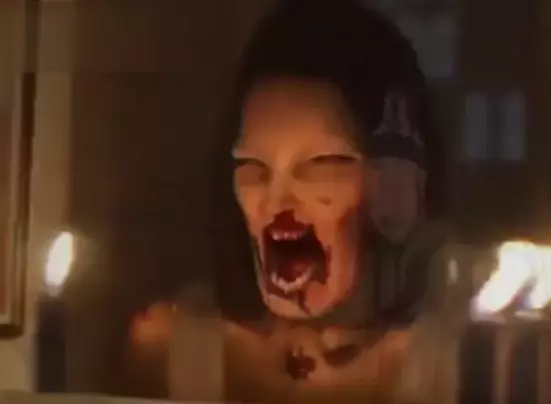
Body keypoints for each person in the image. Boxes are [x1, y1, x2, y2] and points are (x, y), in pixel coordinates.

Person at [127, 1, 452, 402]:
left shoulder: (460, 363)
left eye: (323, 163)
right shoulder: (169, 346)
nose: (277, 200)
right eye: (252, 166)